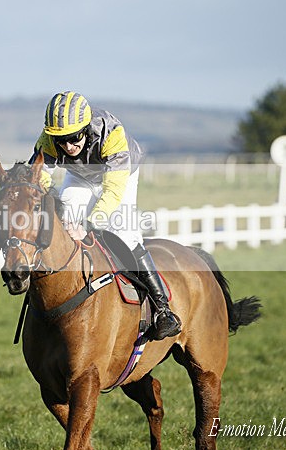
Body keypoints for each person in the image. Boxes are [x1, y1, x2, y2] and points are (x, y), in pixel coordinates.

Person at [28, 91, 181, 340]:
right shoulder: (47, 138)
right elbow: (39, 175)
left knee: (124, 231)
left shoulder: (111, 134)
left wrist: (89, 225)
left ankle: (163, 310)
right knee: (65, 218)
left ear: (86, 129)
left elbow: (112, 191)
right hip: (79, 176)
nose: (68, 145)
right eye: (61, 140)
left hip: (121, 175)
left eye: (74, 137)